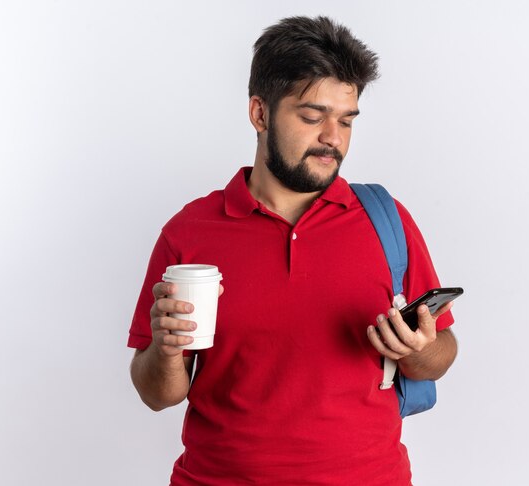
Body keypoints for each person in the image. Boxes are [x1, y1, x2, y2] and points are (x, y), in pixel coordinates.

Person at [128, 15, 457, 486]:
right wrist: (165, 349)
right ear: (260, 113)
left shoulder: (387, 220)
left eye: (346, 120)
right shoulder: (190, 231)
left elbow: (441, 353)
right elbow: (157, 394)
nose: (333, 138)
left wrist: (418, 349)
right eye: (311, 116)